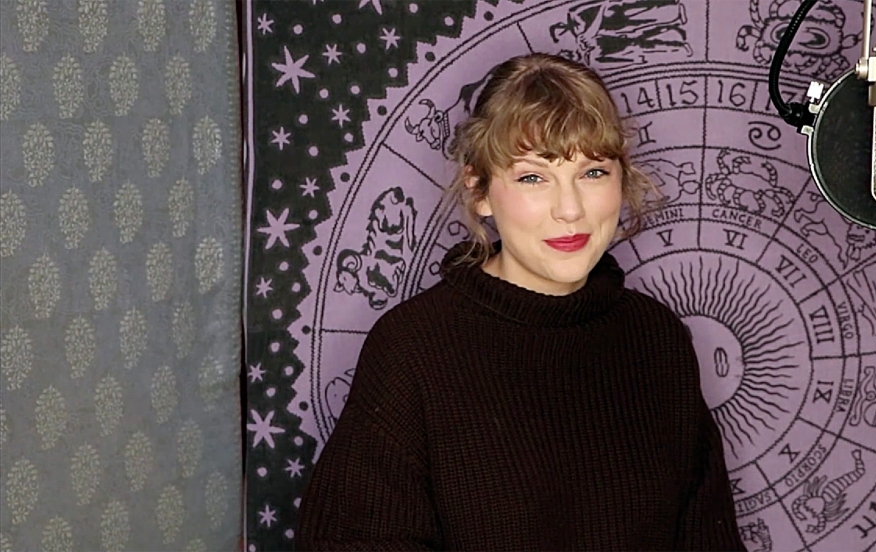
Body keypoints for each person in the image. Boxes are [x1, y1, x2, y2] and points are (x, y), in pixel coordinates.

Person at [296, 52, 746, 551]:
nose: (570, 209)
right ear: (479, 191)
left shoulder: (657, 340)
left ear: (622, 177)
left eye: (592, 172)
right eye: (534, 177)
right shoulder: (414, 350)